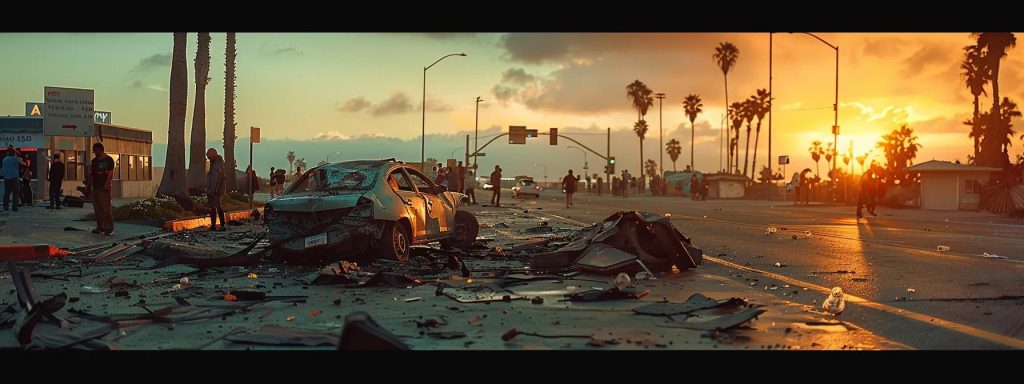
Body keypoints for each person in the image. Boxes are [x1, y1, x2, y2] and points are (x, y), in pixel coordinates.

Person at [87, 142, 115, 236]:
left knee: (106, 208)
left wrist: (107, 184)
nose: (94, 152)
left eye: (95, 150)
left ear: (100, 149)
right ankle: (100, 227)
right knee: (97, 209)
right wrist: (89, 185)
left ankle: (109, 228)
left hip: (104, 188)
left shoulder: (109, 160)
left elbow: (110, 173)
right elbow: (91, 174)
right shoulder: (94, 161)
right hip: (95, 188)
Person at [206, 148, 227, 231]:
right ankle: (214, 225)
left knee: (217, 206)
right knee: (213, 207)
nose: (208, 158)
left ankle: (222, 225)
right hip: (213, 189)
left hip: (217, 190)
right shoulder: (214, 164)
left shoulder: (218, 164)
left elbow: (218, 179)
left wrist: (214, 190)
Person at [2, 147, 25, 211]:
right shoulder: (16, 159)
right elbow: (24, 164)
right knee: (16, 193)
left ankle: (5, 207)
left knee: (6, 193)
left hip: (6, 178)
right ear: (14, 153)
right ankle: (14, 207)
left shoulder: (5, 159)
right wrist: (17, 153)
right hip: (14, 178)